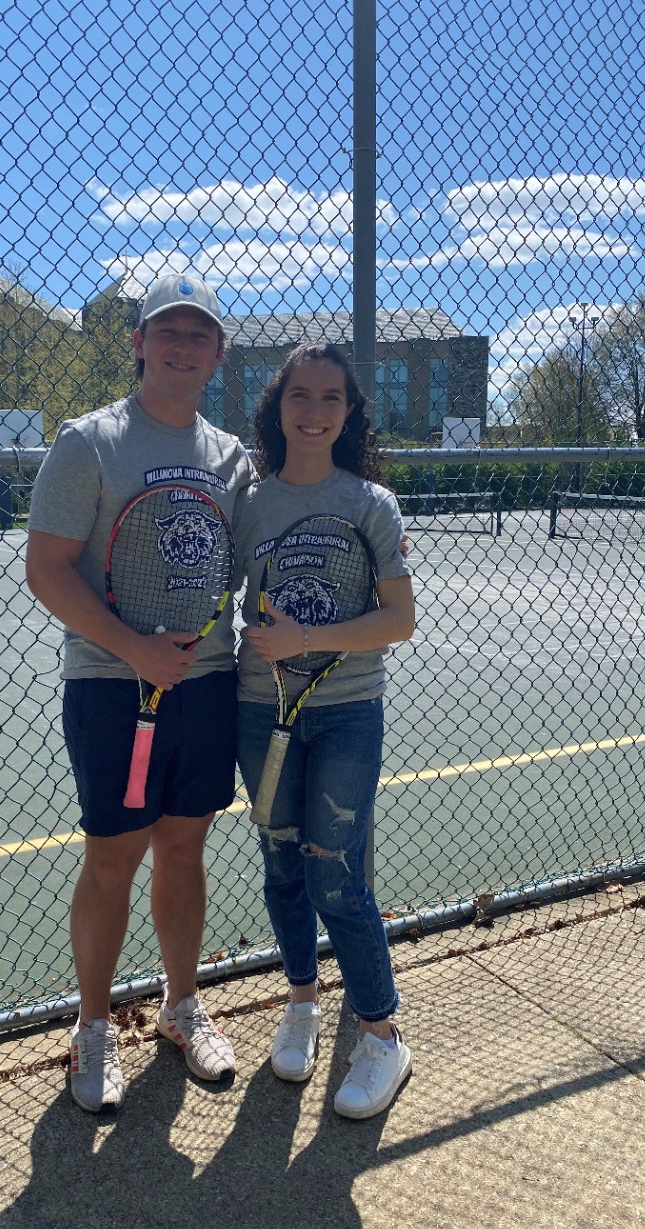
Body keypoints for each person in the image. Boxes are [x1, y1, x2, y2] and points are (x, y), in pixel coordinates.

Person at [25, 274, 256, 1114]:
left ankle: (180, 1007)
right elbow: (46, 569)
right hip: (110, 689)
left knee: (185, 850)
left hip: (206, 686)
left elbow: (246, 564)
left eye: (199, 335)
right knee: (113, 857)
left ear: (217, 354)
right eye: (169, 331)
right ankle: (92, 1028)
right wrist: (134, 650)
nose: (183, 347)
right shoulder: (88, 442)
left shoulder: (232, 459)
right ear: (140, 343)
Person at [234, 340, 416, 1120]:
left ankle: (381, 1036)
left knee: (334, 875)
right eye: (299, 396)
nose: (314, 412)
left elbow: (399, 620)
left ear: (350, 413)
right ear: (277, 408)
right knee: (281, 865)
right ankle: (302, 1003)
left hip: (347, 713)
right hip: (258, 709)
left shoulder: (372, 504)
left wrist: (304, 640)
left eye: (330, 398)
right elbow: (219, 594)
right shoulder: (249, 503)